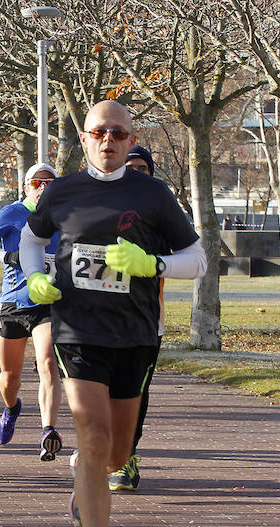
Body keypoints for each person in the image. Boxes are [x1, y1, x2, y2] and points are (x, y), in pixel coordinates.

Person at [19, 100, 206, 527]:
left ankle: (86, 472)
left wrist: (152, 264)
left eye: (119, 134)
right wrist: (36, 276)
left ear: (130, 139)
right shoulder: (62, 191)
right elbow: (30, 239)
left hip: (136, 337)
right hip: (78, 331)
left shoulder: (152, 194)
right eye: (99, 132)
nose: (109, 141)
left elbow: (197, 260)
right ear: (84, 139)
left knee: (116, 453)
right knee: (95, 434)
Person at [0, 163, 64, 459]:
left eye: (49, 182)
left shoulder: (65, 216)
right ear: (25, 186)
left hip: (48, 303)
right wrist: (8, 256)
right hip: (13, 302)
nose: (43, 186)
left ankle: (49, 430)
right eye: (37, 182)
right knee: (9, 377)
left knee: (47, 363)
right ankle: (11, 407)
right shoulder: (12, 213)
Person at [108, 145, 163, 492]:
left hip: (145, 320)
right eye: (132, 168)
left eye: (144, 168)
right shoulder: (102, 208)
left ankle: (127, 455)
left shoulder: (160, 210)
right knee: (100, 390)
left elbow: (182, 256)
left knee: (135, 393)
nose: (137, 173)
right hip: (99, 319)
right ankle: (102, 451)